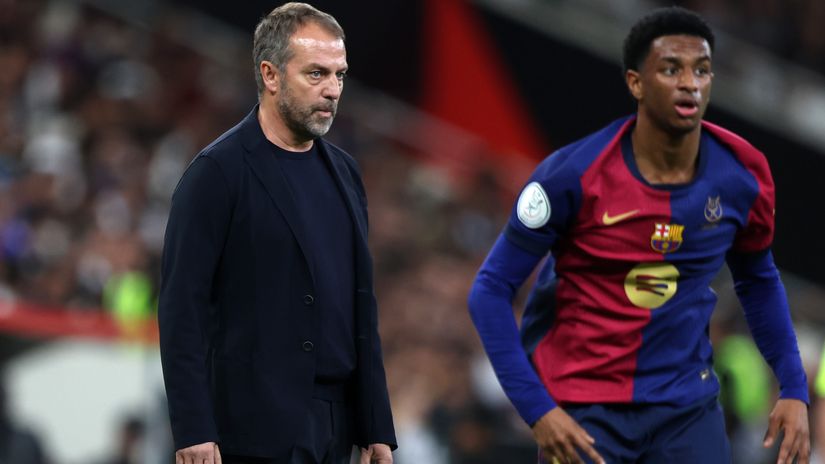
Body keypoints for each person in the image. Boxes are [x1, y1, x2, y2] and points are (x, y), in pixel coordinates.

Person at [467, 6, 809, 464]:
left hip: (686, 409)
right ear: (636, 83)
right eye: (671, 69)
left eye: (702, 70)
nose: (690, 82)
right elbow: (489, 290)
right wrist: (538, 410)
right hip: (586, 412)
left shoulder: (742, 175)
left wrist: (793, 387)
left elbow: (758, 279)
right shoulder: (571, 177)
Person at [158, 3, 396, 463]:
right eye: (316, 74)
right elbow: (180, 309)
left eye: (339, 75)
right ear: (270, 75)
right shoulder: (217, 173)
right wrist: (193, 428)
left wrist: (376, 426)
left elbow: (362, 310)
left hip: (336, 424)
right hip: (248, 425)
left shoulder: (345, 174)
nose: (332, 90)